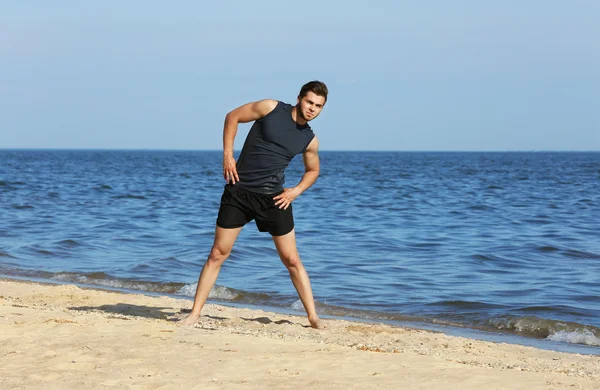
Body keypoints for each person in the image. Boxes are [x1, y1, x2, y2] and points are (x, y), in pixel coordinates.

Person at [179, 81, 328, 329]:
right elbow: (233, 117)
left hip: (274, 199)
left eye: (318, 106)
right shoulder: (270, 108)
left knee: (292, 260)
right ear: (300, 98)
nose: (312, 108)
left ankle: (313, 318)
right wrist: (228, 155)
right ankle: (194, 314)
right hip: (239, 191)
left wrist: (295, 191)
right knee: (217, 254)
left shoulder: (310, 140)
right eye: (309, 102)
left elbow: (313, 170)